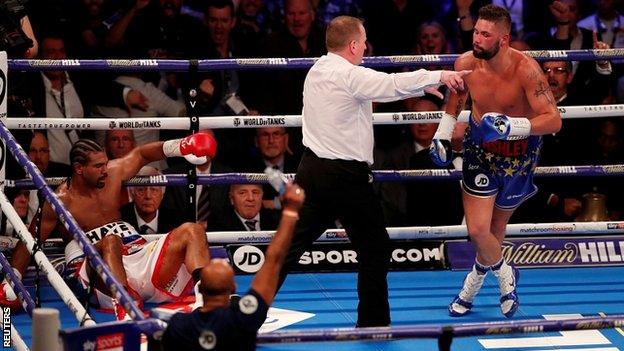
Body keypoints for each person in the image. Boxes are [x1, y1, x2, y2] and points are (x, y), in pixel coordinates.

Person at [276, 15, 470, 327]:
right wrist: (441, 75)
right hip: (344, 177)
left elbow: (382, 87)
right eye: (363, 42)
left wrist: (423, 84)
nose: (366, 47)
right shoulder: (348, 76)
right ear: (352, 45)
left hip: (311, 171)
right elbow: (389, 85)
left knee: (286, 249)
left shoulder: (317, 70)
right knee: (375, 249)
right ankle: (374, 324)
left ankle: (245, 312)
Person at [430, 4, 561, 318]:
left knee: (495, 228)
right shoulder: (465, 63)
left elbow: (554, 120)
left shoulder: (526, 70)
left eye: (485, 34)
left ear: (503, 40)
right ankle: (506, 276)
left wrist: (515, 126)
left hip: (520, 156)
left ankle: (472, 284)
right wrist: (443, 134)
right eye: (476, 31)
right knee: (477, 229)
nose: (477, 38)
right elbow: (456, 100)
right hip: (480, 151)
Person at [0, 133, 217, 317]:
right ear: (79, 168)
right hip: (95, 271)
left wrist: (180, 146)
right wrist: (13, 278)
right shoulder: (60, 201)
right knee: (110, 242)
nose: (106, 169)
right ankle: (126, 309)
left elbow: (141, 154)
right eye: (98, 166)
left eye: (105, 163)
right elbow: (30, 239)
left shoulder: (112, 175)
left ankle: (208, 296)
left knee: (192, 230)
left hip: (135, 253)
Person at [162, 182, 305, 351]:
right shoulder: (245, 317)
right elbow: (274, 260)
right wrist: (290, 211)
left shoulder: (179, 325)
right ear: (233, 287)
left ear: (199, 289)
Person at [121, 166, 183, 234]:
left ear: (162, 193)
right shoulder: (119, 218)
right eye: (141, 190)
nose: (148, 196)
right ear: (132, 193)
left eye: (154, 190)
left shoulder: (177, 222)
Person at [208, 184, 278, 231]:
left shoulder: (277, 221)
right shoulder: (218, 225)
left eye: (255, 192)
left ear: (262, 196)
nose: (250, 198)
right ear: (231, 198)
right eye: (242, 193)